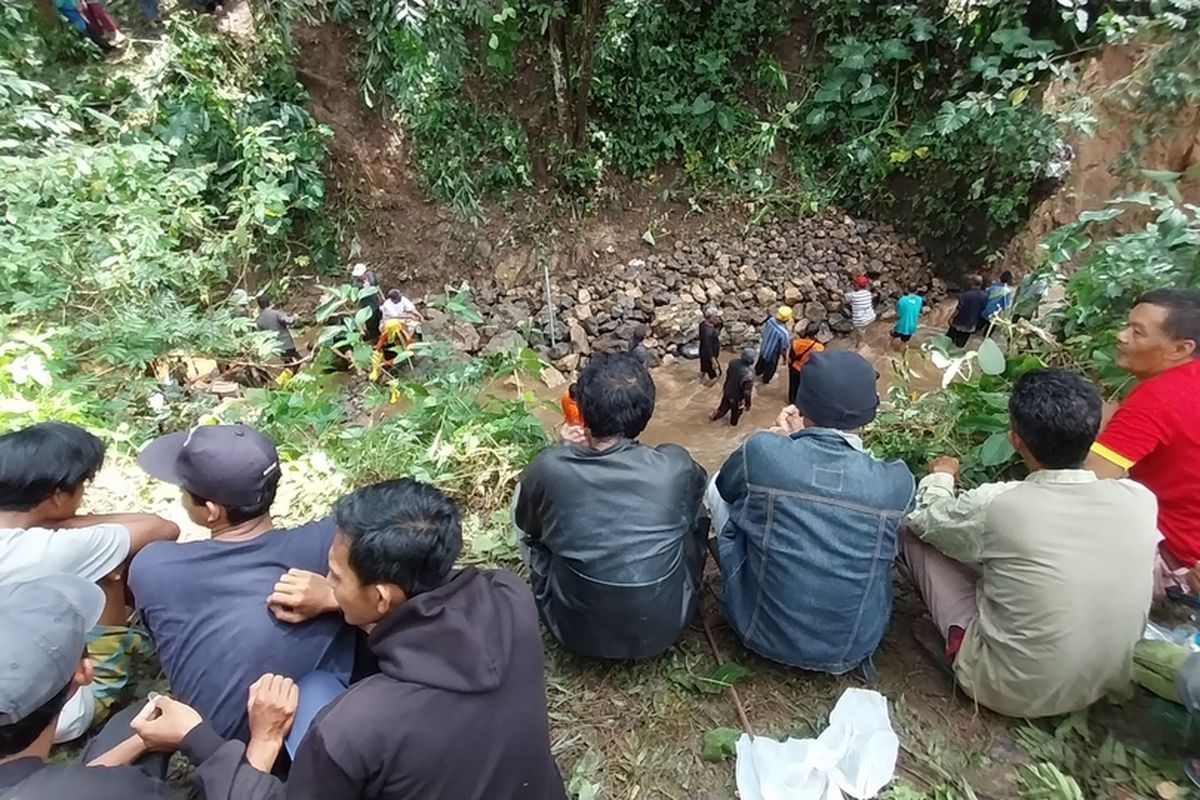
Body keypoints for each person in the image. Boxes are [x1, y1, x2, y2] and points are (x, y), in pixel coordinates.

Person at [130, 479, 566, 800]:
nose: (328, 583)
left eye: (335, 576)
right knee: (317, 684)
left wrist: (199, 738)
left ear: (381, 597)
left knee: (315, 694)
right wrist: (336, 601)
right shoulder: (511, 596)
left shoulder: (351, 727)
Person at [902, 368, 1157, 718]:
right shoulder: (1140, 499)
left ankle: (962, 652)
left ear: (1015, 439)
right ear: (1095, 434)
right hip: (1104, 681)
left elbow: (926, 518)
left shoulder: (1000, 504)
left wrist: (941, 476)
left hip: (1011, 690)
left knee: (914, 535)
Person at [129, 424, 358, 742]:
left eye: (182, 490)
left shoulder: (153, 566)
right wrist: (337, 597)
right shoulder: (328, 542)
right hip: (318, 738)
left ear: (211, 511)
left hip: (214, 753)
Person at [709, 351, 914, 674]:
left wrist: (782, 441)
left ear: (800, 405)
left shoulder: (762, 450)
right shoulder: (896, 481)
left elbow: (725, 488)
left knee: (717, 485)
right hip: (852, 647)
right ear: (869, 413)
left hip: (756, 631)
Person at [513, 353, 709, 660]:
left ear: (584, 412)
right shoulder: (675, 465)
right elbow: (698, 493)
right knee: (693, 507)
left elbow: (529, 526)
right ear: (647, 413)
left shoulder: (549, 467)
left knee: (525, 498)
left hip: (573, 631)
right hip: (665, 628)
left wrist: (564, 452)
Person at [0, 422, 179, 743]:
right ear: (55, 496)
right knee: (109, 568)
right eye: (82, 485)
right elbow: (161, 528)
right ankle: (108, 679)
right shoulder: (45, 550)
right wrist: (66, 526)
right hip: (46, 715)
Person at [0, 576, 179, 798]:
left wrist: (138, 744)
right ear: (83, 673)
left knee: (133, 722)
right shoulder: (127, 790)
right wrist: (204, 743)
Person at [1085, 289, 1200, 587]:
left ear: (1180, 348)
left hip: (1174, 558)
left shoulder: (1160, 396)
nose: (1121, 337)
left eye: (1137, 333)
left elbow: (1085, 481)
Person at [711, 348, 756, 427]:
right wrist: (748, 405)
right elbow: (747, 392)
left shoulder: (733, 363)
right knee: (735, 418)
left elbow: (728, 375)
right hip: (737, 398)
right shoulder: (749, 374)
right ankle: (731, 429)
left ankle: (711, 421)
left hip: (727, 390)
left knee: (722, 409)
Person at [787, 322, 824, 404]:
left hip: (795, 368)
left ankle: (791, 402)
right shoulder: (819, 347)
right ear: (816, 334)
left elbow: (790, 358)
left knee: (793, 387)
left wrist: (790, 367)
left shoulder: (796, 343)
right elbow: (818, 363)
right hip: (807, 371)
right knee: (803, 388)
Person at [946, 275, 988, 348]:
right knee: (959, 347)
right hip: (971, 325)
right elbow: (983, 312)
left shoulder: (964, 295)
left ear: (971, 283)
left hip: (958, 323)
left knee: (946, 342)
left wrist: (951, 318)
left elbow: (958, 309)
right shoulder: (985, 297)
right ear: (981, 284)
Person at [255, 295, 299, 362]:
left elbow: (261, 335)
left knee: (289, 362)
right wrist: (294, 317)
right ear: (269, 302)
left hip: (276, 347)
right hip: (287, 344)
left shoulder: (259, 320)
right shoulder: (276, 313)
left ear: (259, 306)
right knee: (296, 362)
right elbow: (289, 321)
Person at [755, 306, 792, 385]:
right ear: (787, 319)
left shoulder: (770, 320)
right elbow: (783, 349)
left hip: (763, 348)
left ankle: (756, 374)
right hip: (772, 355)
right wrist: (785, 359)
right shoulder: (784, 333)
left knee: (758, 367)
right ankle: (765, 381)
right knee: (769, 372)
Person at [351, 263, 382, 344]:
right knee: (370, 321)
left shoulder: (371, 276)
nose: (358, 277)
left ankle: (380, 334)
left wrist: (382, 297)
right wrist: (366, 289)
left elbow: (377, 287)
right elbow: (356, 296)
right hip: (366, 304)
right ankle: (373, 336)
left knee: (378, 317)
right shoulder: (356, 284)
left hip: (375, 301)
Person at [846, 275, 877, 349]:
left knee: (859, 334)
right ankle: (864, 337)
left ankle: (859, 345)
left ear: (856, 285)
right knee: (863, 329)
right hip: (871, 317)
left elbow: (844, 297)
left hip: (860, 321)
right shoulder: (868, 294)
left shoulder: (853, 295)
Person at [698, 308, 723, 384]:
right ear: (711, 317)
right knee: (715, 376)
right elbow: (708, 347)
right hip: (709, 356)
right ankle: (707, 389)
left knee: (704, 370)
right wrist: (713, 361)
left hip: (702, 353)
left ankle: (700, 381)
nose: (718, 318)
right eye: (716, 317)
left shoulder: (702, 324)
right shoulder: (709, 332)